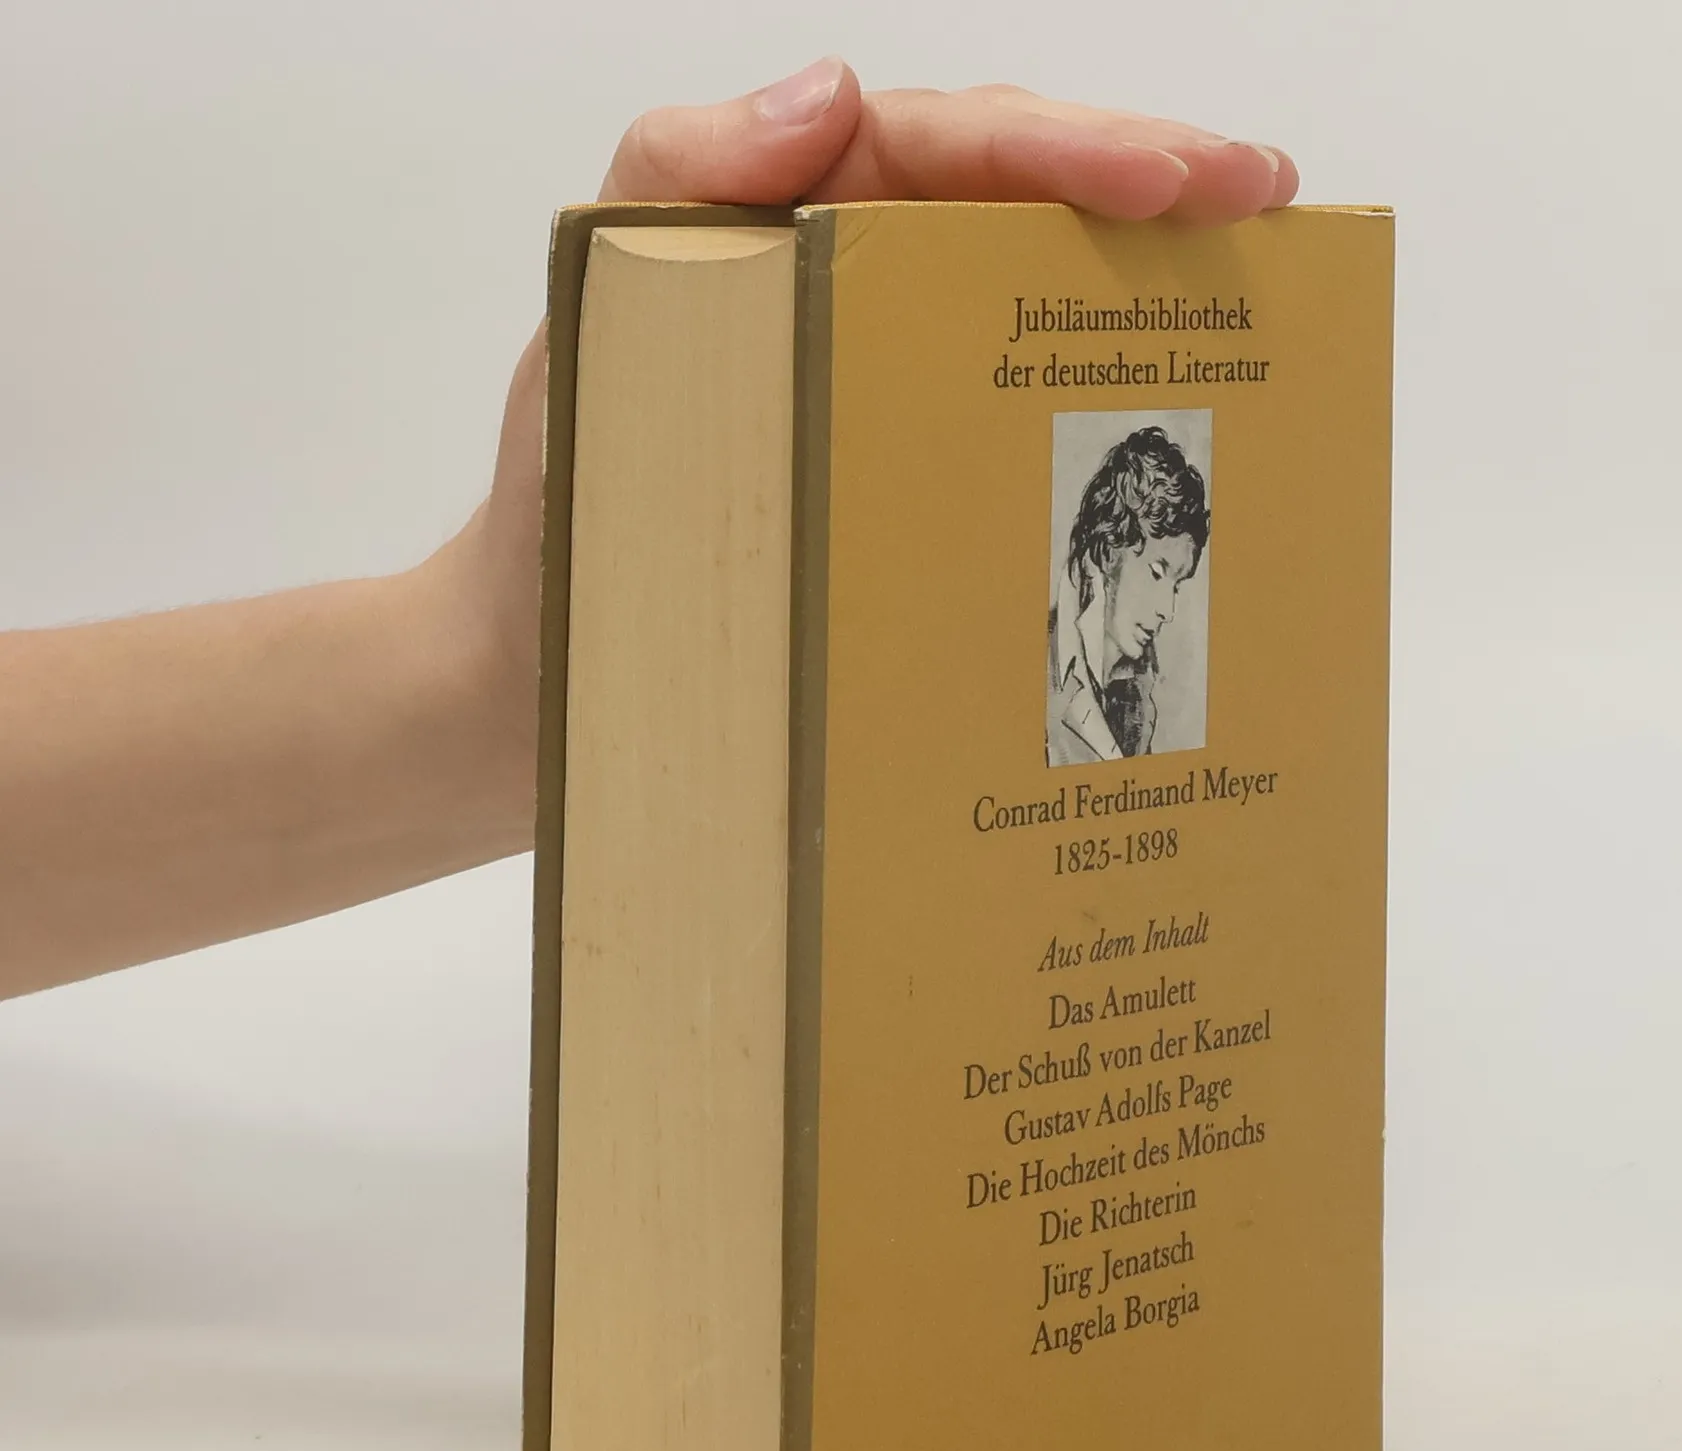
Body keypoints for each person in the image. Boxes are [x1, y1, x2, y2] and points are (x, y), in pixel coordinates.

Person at [0, 60, 1296, 1002]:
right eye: (1161, 573)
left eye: (1186, 579)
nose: (1172, 608)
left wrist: (508, 683)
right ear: (1098, 554)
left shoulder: (1112, 705)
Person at [1046, 424, 1211, 765]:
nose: (1168, 611)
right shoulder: (1040, 666)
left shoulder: (1138, 687)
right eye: (1156, 573)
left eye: (1175, 585)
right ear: (1108, 552)